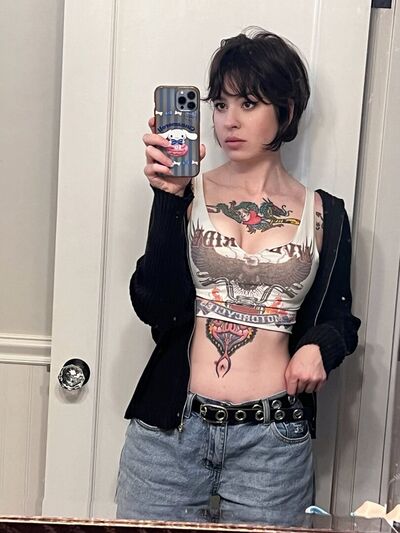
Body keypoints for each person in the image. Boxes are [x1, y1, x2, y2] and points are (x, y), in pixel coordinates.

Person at [116, 28, 361, 526]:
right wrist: (168, 198)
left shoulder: (324, 214)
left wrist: (320, 347)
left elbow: (341, 319)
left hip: (272, 442)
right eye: (220, 104)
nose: (229, 120)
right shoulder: (187, 192)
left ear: (285, 111)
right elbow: (154, 305)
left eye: (248, 103)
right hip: (170, 435)